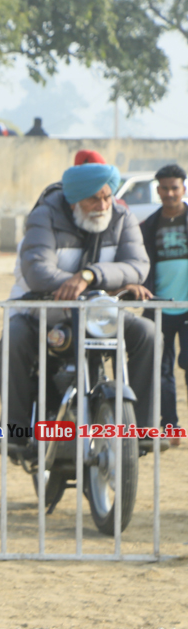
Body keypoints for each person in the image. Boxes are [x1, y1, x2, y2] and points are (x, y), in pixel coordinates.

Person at [0, 162, 156, 460]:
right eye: (93, 199)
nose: (103, 205)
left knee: (148, 334)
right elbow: (37, 270)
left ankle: (142, 428)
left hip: (99, 313)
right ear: (74, 200)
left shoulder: (122, 216)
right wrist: (97, 283)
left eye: (107, 197)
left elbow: (137, 266)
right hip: (45, 311)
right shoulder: (44, 216)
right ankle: (14, 432)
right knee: (13, 340)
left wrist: (89, 276)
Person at [140, 164, 188, 442]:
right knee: (162, 370)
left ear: (183, 189)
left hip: (187, 308)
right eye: (165, 188)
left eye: (175, 188)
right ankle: (171, 428)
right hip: (158, 309)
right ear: (158, 190)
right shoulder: (148, 226)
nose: (170, 193)